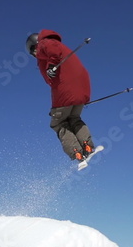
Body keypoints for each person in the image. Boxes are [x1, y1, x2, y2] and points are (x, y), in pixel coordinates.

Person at [26, 29, 96, 163]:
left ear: (34, 45)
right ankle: (87, 146)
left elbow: (53, 51)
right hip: (81, 89)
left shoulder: (44, 44)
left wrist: (51, 65)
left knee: (58, 123)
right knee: (74, 119)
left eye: (33, 52)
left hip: (66, 90)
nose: (35, 55)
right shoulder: (61, 48)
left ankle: (77, 153)